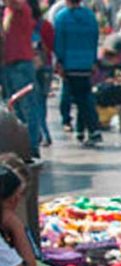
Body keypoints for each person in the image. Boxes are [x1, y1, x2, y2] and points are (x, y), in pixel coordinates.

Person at [53, 0, 101, 146]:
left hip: (69, 63)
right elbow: (95, 39)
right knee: (84, 97)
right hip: (86, 63)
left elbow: (59, 42)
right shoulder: (90, 16)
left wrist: (59, 62)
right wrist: (93, 61)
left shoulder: (61, 17)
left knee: (75, 98)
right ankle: (83, 130)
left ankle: (90, 129)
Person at [3, 0, 43, 157]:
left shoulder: (19, 6)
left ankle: (31, 147)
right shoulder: (10, 10)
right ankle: (24, 147)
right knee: (17, 110)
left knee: (27, 108)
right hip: (12, 63)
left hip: (19, 63)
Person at [29, 0, 55, 149]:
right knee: (42, 101)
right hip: (46, 66)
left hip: (30, 66)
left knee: (33, 101)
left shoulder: (24, 25)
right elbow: (51, 46)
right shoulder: (46, 25)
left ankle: (42, 134)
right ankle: (44, 133)